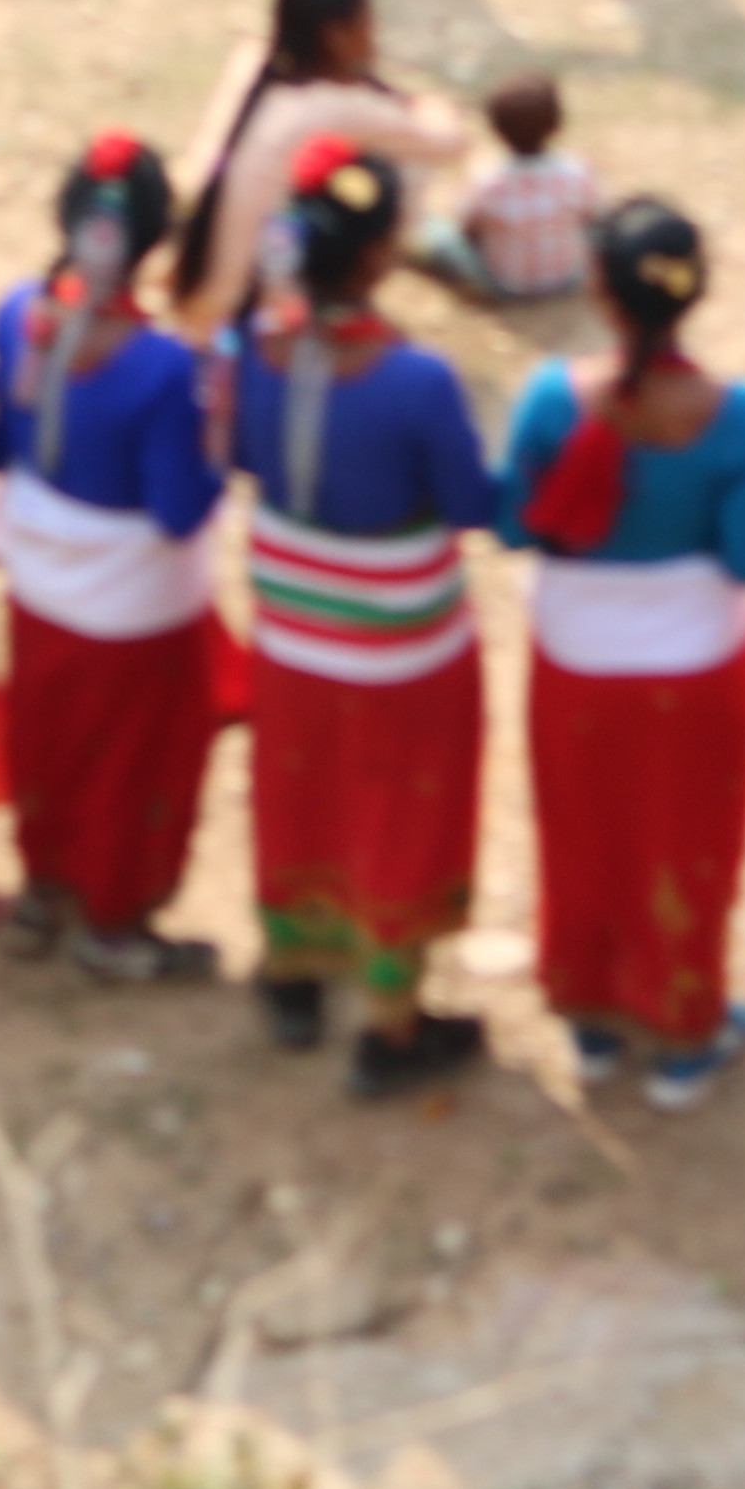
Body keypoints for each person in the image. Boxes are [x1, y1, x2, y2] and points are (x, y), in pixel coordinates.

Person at [221, 140, 500, 1098]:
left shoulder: (251, 349)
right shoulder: (415, 381)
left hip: (291, 623)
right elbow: (469, 504)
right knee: (400, 813)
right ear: (380, 256)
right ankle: (391, 1026)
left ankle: (293, 975)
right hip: (399, 642)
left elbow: (244, 457)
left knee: (298, 789)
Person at [496, 199, 745, 1106]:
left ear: (598, 292)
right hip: (695, 675)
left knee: (584, 838)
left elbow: (515, 524)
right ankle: (684, 1039)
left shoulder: (550, 400)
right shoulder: (740, 418)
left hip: (575, 665)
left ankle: (590, 1023)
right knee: (686, 846)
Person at [0, 133, 230, 975]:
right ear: (156, 242)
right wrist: (220, 434)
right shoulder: (164, 367)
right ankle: (113, 928)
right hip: (134, 610)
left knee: (45, 737)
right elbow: (177, 511)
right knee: (131, 764)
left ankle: (41, 892)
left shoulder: (17, 315)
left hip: (38, 584)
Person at [165, 0, 476, 334]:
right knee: (410, 164)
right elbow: (451, 143)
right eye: (367, 21)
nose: (374, 33)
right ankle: (345, 290)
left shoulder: (252, 61)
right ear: (336, 36)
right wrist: (427, 103)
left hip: (198, 275)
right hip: (246, 313)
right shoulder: (332, 106)